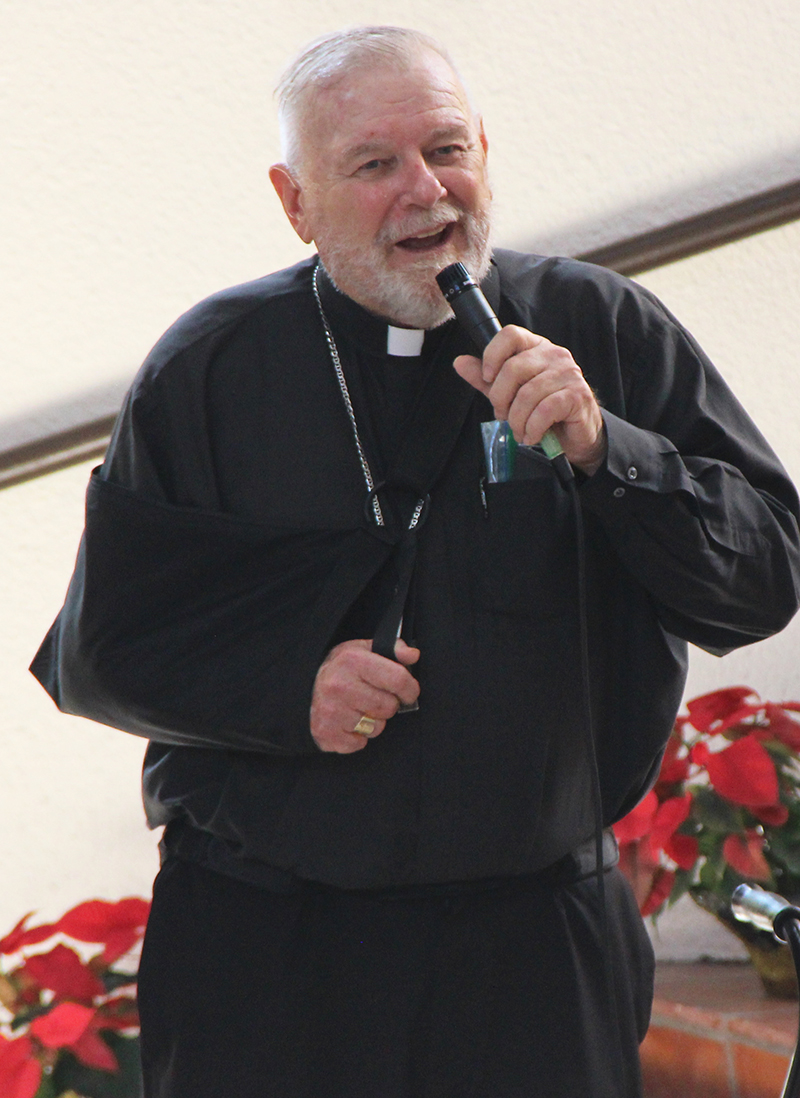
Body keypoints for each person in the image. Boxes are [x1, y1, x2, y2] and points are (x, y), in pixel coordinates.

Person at [31, 25, 800, 1098]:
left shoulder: (600, 327)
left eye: (446, 149)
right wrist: (285, 685)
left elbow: (763, 578)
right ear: (293, 200)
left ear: (484, 149)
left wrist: (603, 447)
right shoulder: (208, 369)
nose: (424, 190)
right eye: (372, 163)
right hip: (269, 950)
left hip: (534, 944)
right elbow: (103, 653)